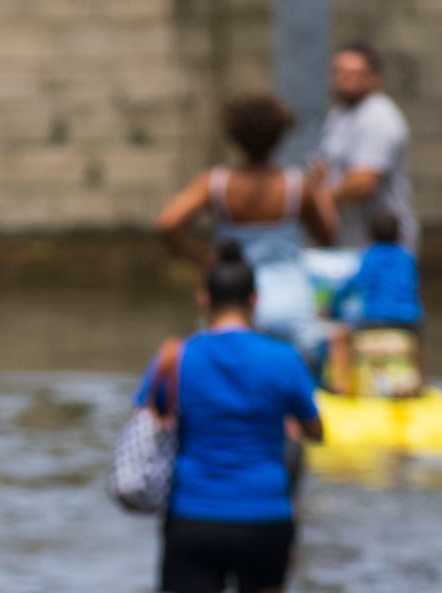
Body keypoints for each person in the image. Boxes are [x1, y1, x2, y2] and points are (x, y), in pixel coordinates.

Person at [137, 243, 324, 593]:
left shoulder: (177, 357)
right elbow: (315, 430)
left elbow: (152, 418)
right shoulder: (282, 358)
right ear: (255, 301)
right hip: (265, 514)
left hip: (193, 514)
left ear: (203, 299)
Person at [156, 93, 338, 353]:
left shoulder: (216, 182)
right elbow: (329, 235)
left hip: (231, 304)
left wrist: (204, 260)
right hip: (289, 302)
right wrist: (321, 190)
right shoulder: (298, 186)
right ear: (280, 136)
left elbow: (168, 223)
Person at [312, 42, 416, 252]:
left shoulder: (378, 115)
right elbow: (322, 166)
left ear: (376, 78)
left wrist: (318, 202)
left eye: (355, 73)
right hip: (351, 241)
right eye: (340, 72)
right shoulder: (339, 114)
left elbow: (363, 181)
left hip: (381, 245)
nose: (346, 79)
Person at [326, 207, 425, 397]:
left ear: (370, 234)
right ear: (398, 234)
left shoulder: (370, 256)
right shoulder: (408, 258)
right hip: (410, 321)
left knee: (340, 337)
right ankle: (420, 383)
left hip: (377, 319)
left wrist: (333, 306)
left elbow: (353, 285)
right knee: (419, 344)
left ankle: (342, 387)